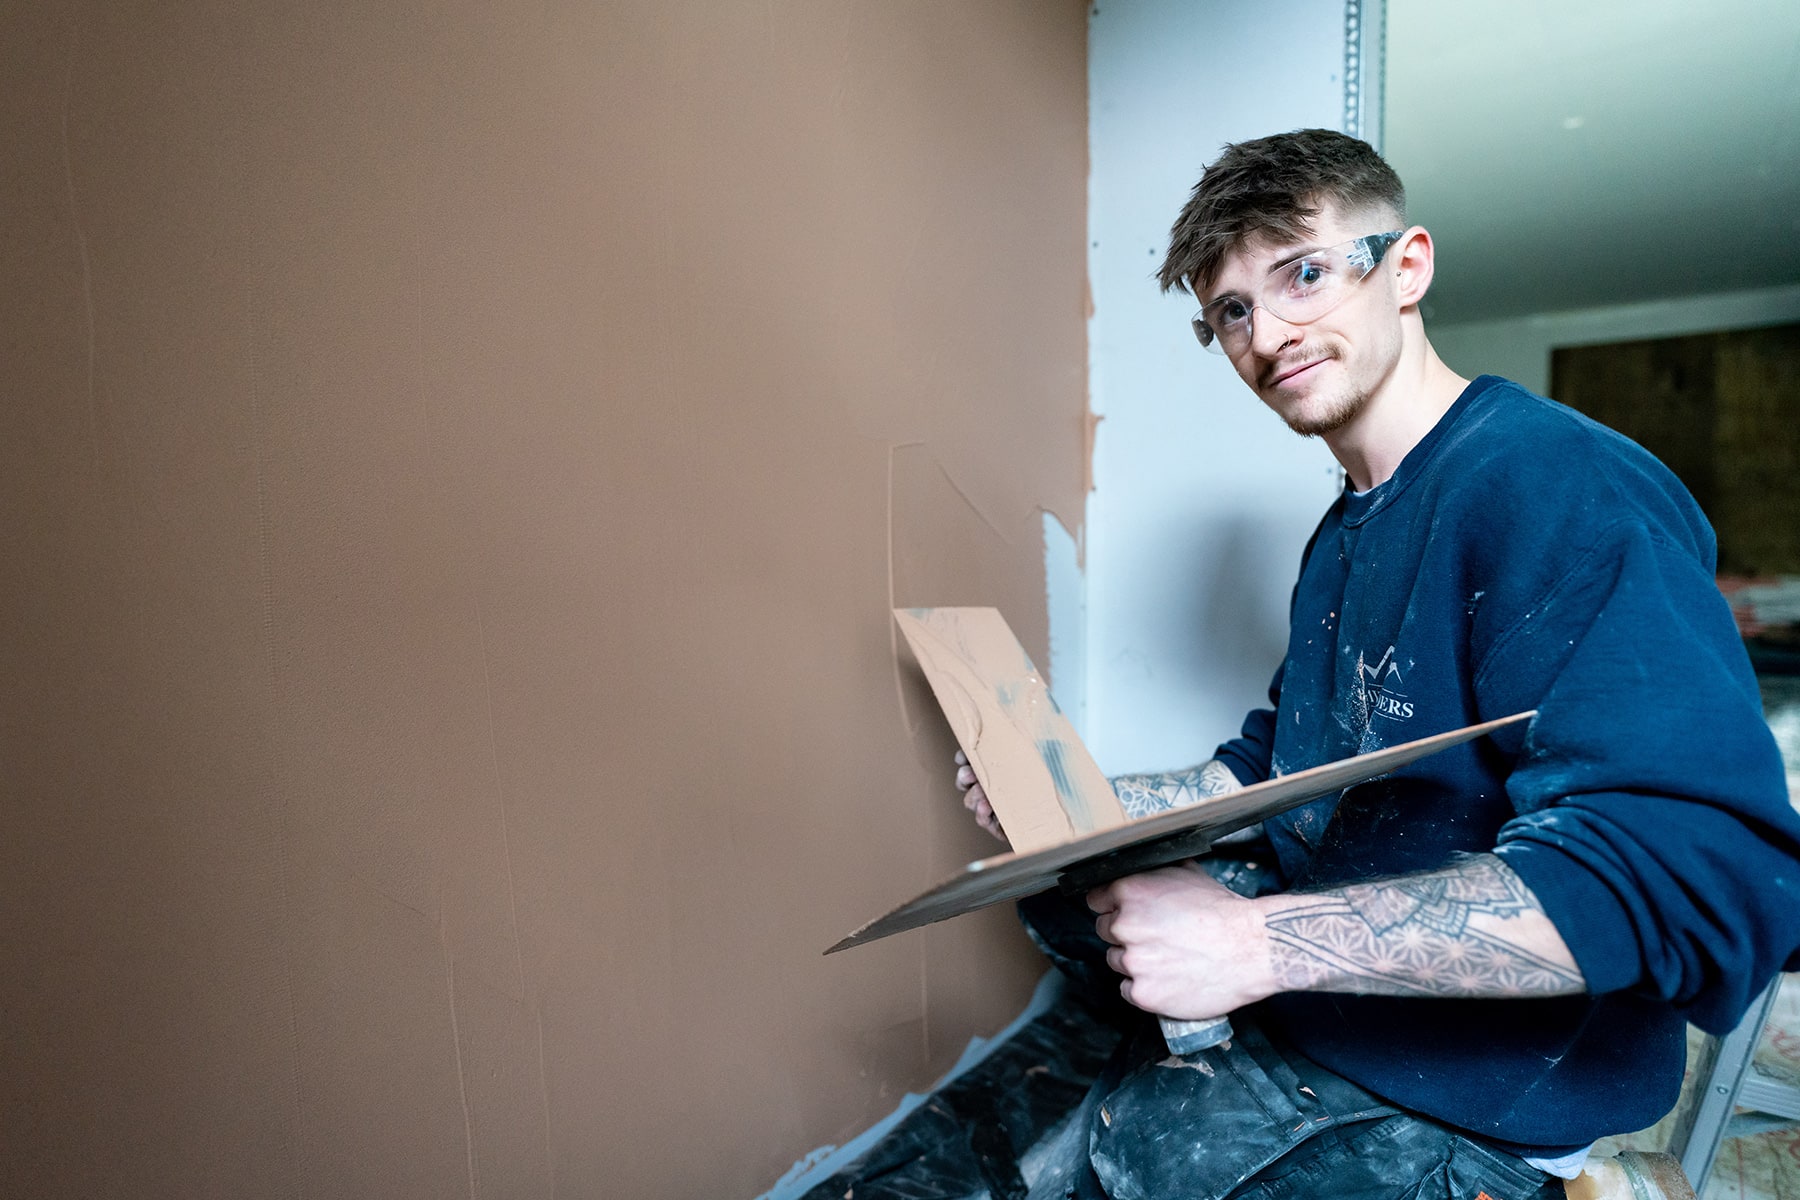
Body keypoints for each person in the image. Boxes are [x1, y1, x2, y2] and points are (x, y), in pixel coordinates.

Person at [955, 128, 1800, 1199]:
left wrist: (1252, 945)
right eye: (1231, 312)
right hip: (1348, 991)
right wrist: (1071, 801)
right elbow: (1273, 764)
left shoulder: (1557, 485)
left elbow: (1690, 881)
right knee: (1067, 902)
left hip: (1498, 1086)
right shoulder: (1348, 527)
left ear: (1406, 268)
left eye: (1302, 275)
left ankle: (1589, 1185)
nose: (1268, 334)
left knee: (1145, 1160)